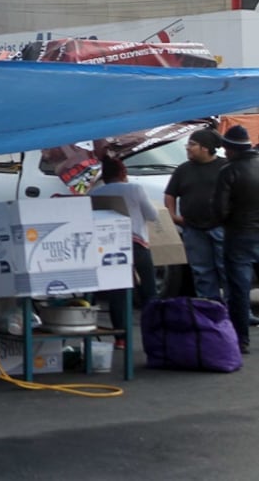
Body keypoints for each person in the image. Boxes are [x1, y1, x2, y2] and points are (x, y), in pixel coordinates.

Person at [90, 157, 158, 349]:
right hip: (137, 244)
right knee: (149, 289)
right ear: (123, 173)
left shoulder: (95, 192)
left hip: (110, 247)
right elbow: (152, 215)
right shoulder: (134, 189)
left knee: (118, 292)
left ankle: (120, 338)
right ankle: (153, 332)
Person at [164, 128, 226, 301]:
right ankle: (210, 308)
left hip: (221, 228)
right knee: (202, 271)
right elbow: (170, 194)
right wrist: (172, 216)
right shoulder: (183, 170)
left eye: (192, 144)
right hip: (193, 229)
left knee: (228, 269)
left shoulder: (225, 167)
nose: (188, 148)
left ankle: (237, 310)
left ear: (205, 148)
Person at [213, 125, 259, 354]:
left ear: (230, 149)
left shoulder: (229, 171)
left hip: (239, 235)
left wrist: (228, 219)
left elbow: (219, 210)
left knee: (239, 290)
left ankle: (241, 340)